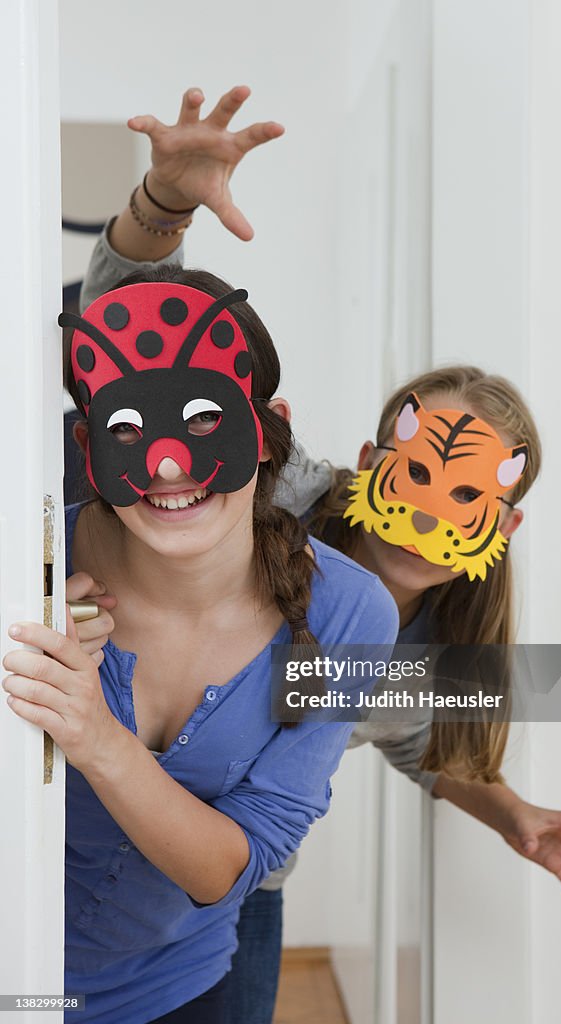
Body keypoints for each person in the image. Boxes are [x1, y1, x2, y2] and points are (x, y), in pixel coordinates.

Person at [74, 86, 561, 1024]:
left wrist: (518, 819)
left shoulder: (413, 645)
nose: (428, 509)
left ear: (501, 528)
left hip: (228, 898)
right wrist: (165, 203)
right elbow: (146, 357)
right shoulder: (271, 487)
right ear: (373, 462)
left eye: (466, 496)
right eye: (415, 473)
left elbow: (426, 749)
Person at [2, 250, 398, 1022]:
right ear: (88, 449)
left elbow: (232, 867)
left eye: (205, 419)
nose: (170, 465)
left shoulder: (350, 615)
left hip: (175, 990)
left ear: (264, 431)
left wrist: (94, 734)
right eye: (127, 429)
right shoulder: (28, 572)